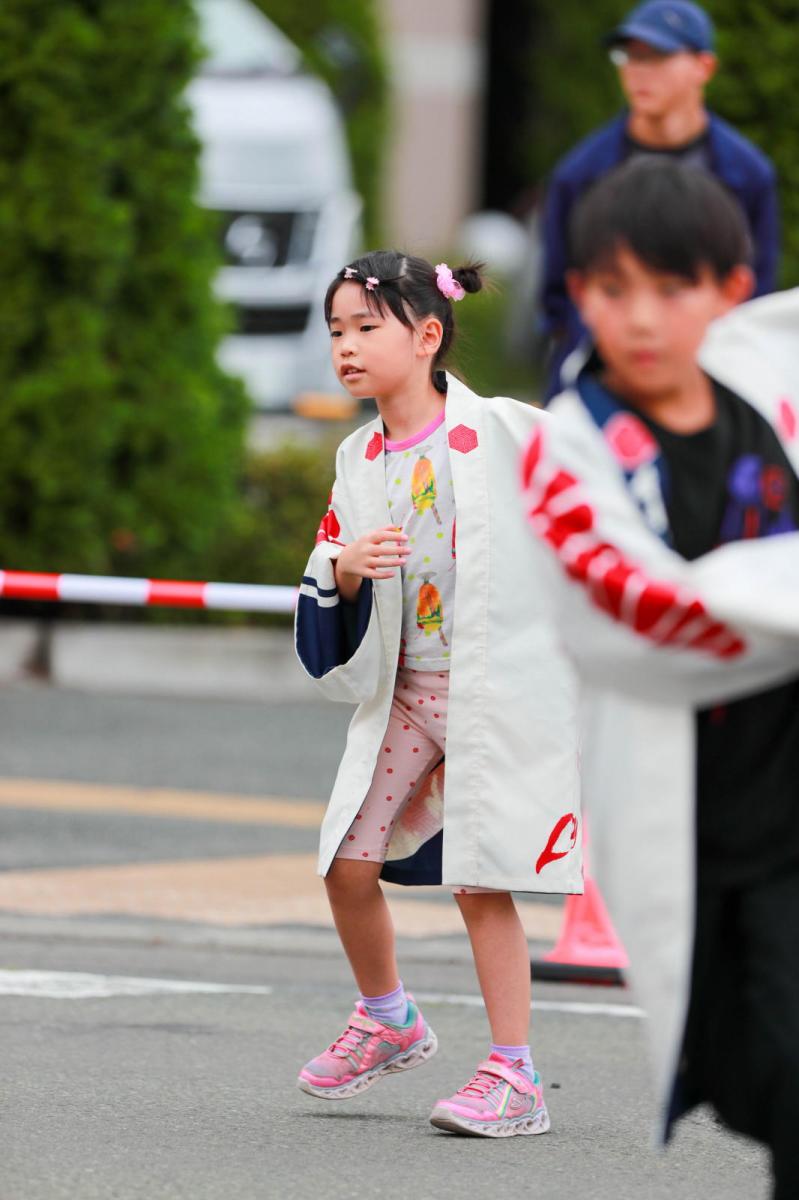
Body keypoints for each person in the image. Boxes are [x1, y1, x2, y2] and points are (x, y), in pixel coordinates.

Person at [521, 158, 799, 1197]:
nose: (640, 318)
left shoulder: (764, 386)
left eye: (671, 288)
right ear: (578, 292)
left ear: (729, 290)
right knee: (745, 1071)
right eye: (611, 288)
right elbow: (640, 617)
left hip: (788, 805)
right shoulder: (572, 445)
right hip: (689, 825)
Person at [294, 250, 581, 1138]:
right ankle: (386, 1017)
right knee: (347, 862)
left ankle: (515, 1074)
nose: (344, 347)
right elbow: (328, 562)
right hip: (410, 691)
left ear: (426, 336)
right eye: (336, 330)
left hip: (493, 694)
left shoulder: (507, 430)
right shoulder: (357, 455)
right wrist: (341, 571)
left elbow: (593, 502)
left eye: (364, 328)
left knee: (479, 879)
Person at [539, 0, 780, 401]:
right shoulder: (580, 174)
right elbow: (559, 297)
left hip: (713, 382)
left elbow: (756, 296)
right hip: (603, 384)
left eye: (659, 56)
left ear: (704, 67)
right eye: (630, 56)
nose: (639, 71)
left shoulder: (748, 173)